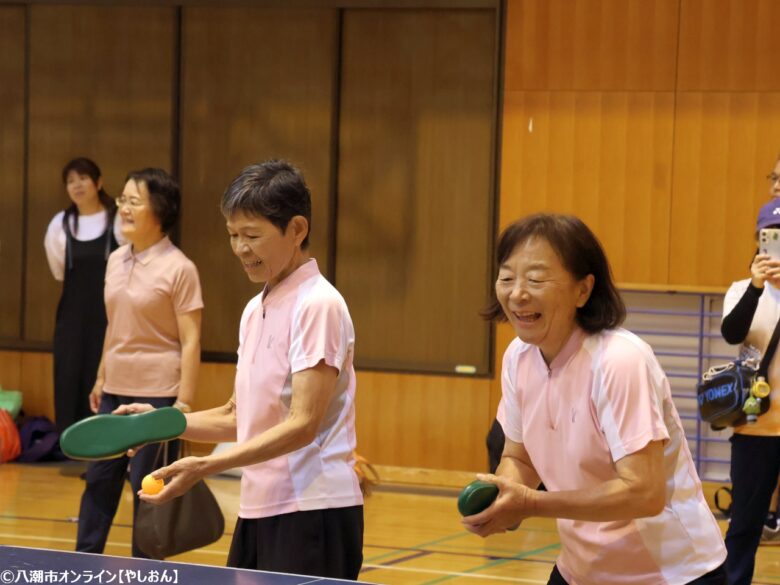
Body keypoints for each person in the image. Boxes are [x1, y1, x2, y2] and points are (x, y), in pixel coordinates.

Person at [118, 160, 363, 578]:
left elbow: (303, 424)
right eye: (233, 235)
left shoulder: (318, 304)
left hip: (313, 510)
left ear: (297, 229)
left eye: (252, 235)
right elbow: (238, 415)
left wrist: (203, 467)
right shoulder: (255, 309)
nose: (240, 249)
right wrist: (161, 424)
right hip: (261, 506)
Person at [464, 213, 726, 585]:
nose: (517, 293)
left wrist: (531, 503)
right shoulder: (518, 358)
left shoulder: (620, 361)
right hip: (581, 570)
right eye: (507, 278)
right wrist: (506, 495)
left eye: (535, 279)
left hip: (670, 573)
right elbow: (518, 456)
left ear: (583, 290)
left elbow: (644, 493)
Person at [75, 168, 203, 558]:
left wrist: (182, 405)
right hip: (115, 390)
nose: (123, 209)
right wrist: (101, 378)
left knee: (149, 492)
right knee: (98, 483)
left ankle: (145, 573)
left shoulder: (180, 268)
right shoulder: (115, 260)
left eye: (134, 201)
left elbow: (192, 339)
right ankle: (80, 565)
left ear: (159, 211)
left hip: (158, 397)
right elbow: (114, 327)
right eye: (122, 200)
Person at [721, 197, 780, 581]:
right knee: (744, 524)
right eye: (770, 236)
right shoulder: (742, 288)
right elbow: (732, 333)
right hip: (756, 425)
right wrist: (757, 287)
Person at [44, 157, 122, 432]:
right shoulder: (60, 224)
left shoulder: (118, 218)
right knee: (69, 374)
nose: (77, 185)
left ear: (98, 182)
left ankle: (108, 445)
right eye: (70, 181)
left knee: (101, 374)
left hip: (110, 313)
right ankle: (72, 442)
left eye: (83, 178)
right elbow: (58, 270)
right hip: (72, 313)